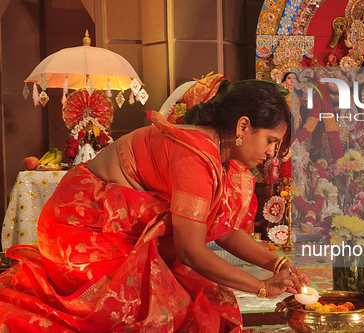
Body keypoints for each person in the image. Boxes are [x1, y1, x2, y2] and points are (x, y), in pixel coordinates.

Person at [0, 81, 310, 332]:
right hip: (82, 230)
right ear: (243, 127)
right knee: (159, 311)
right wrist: (262, 288)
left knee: (205, 301)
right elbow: (191, 251)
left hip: (119, 235)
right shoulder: (195, 156)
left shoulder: (224, 158)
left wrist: (280, 266)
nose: (272, 153)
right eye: (271, 140)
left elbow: (224, 231)